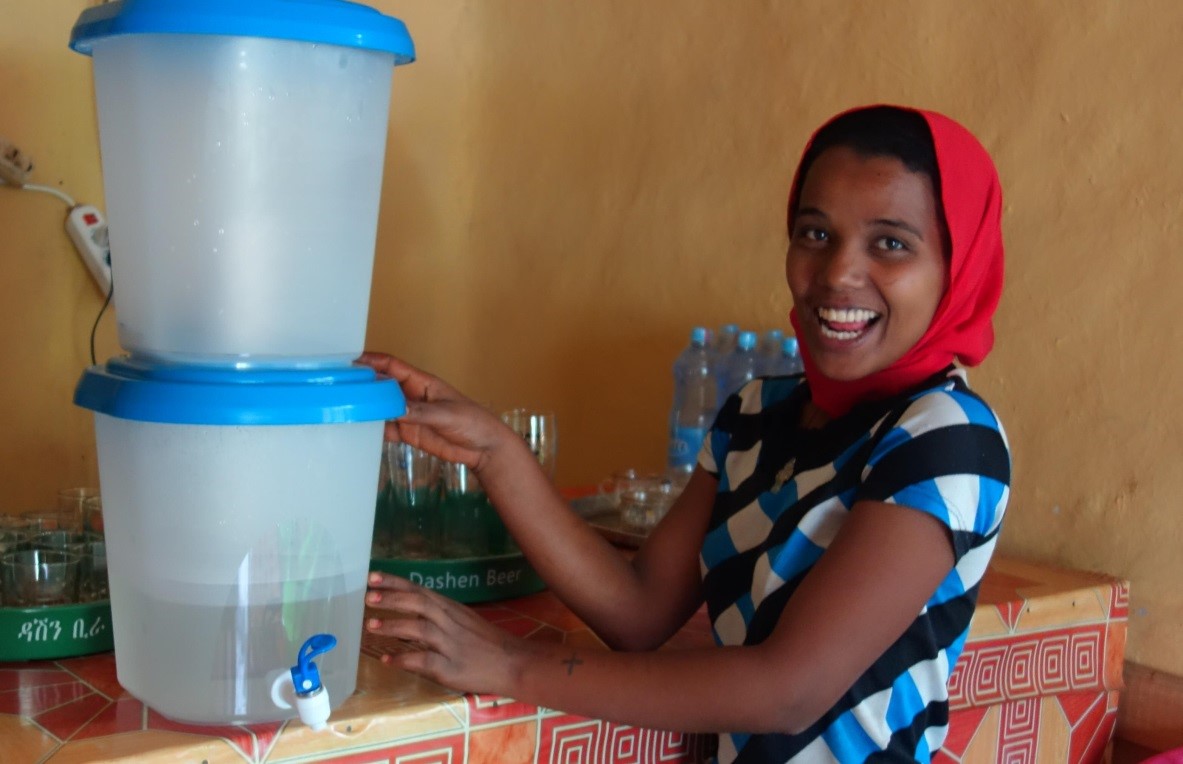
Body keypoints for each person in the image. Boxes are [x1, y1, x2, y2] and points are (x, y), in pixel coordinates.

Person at [359, 104, 1010, 763]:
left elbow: (787, 690)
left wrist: (509, 663)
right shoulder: (756, 414)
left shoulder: (945, 438)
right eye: (814, 233)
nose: (838, 272)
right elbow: (638, 612)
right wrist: (492, 450)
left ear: (958, 267)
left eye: (890, 243)